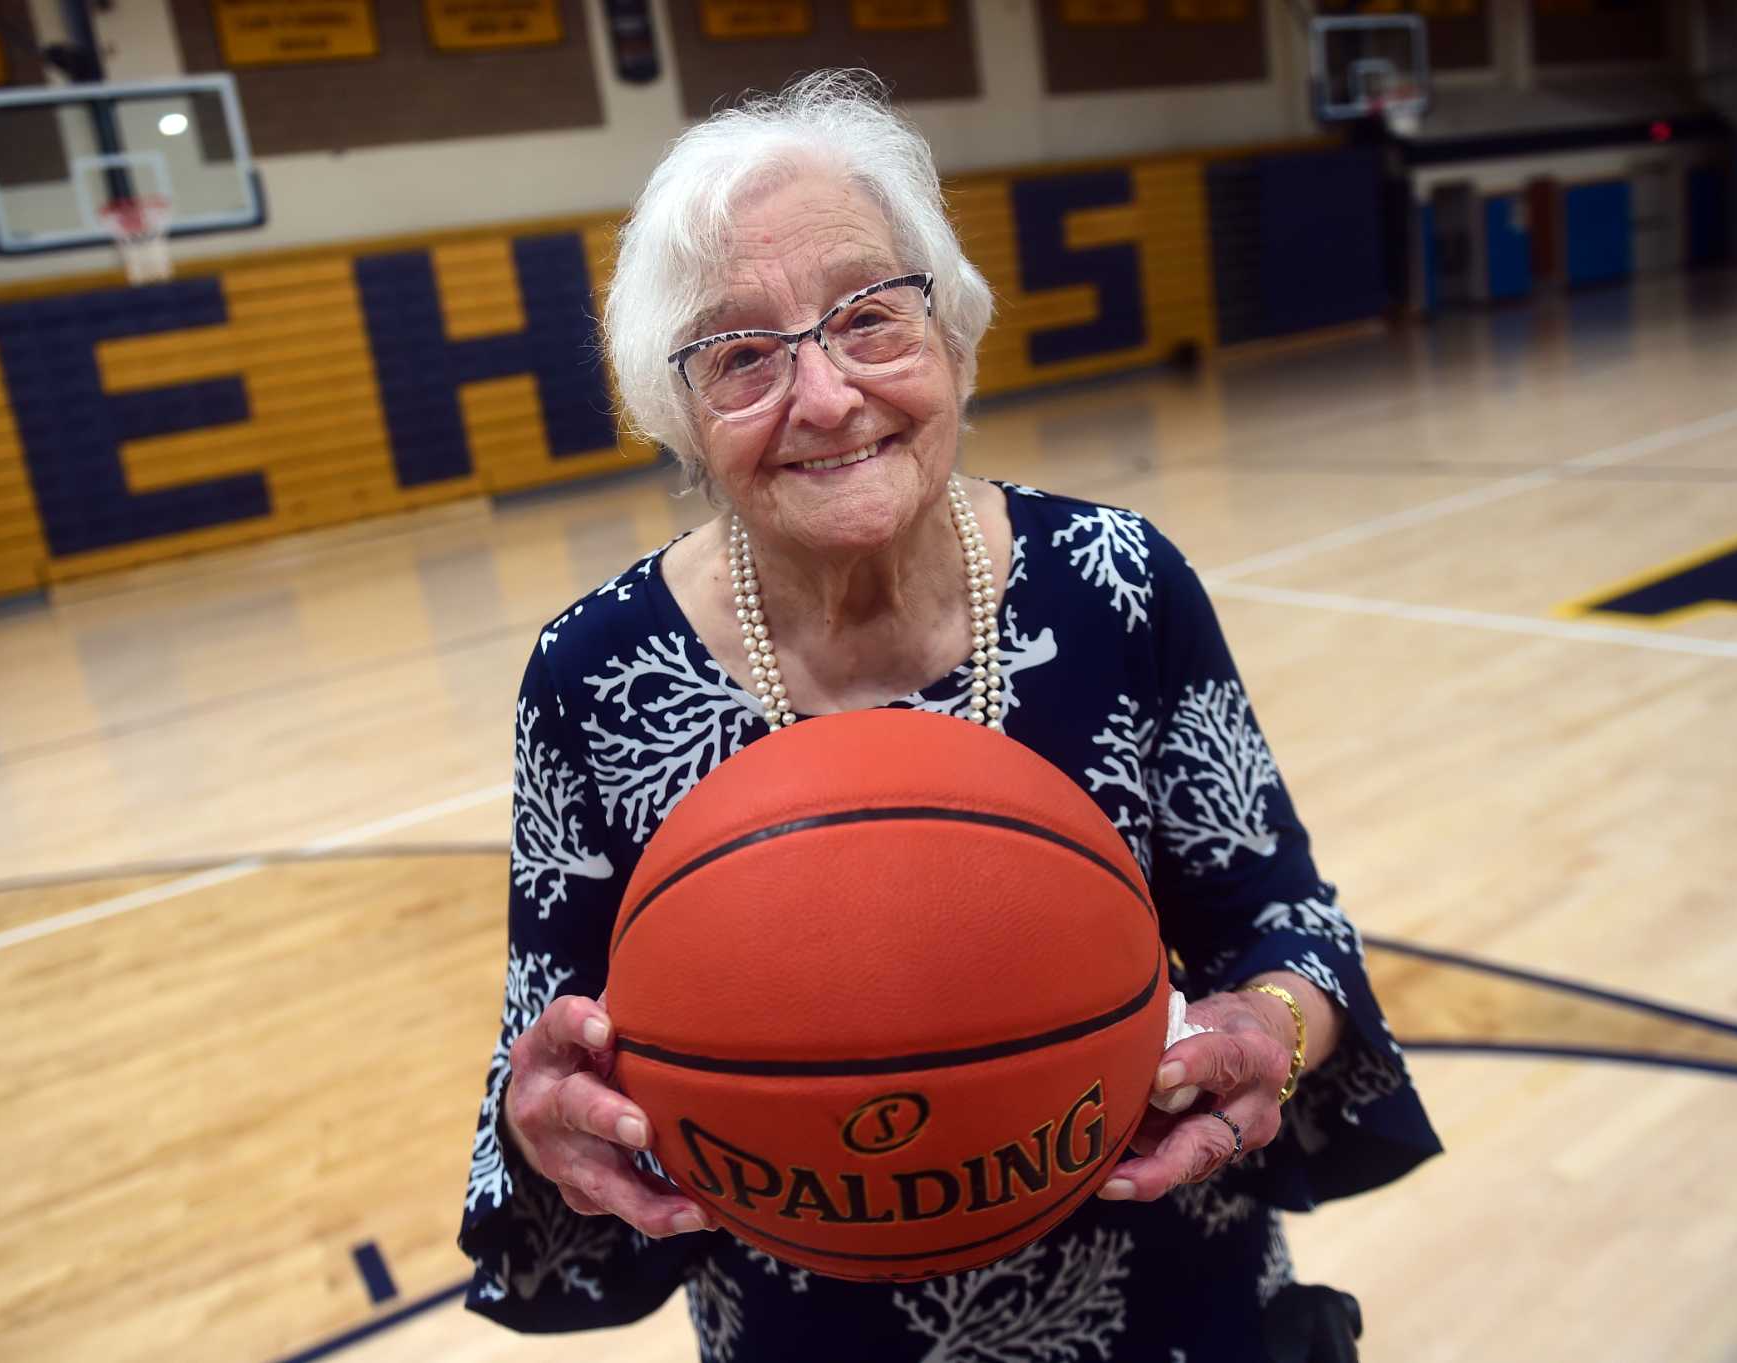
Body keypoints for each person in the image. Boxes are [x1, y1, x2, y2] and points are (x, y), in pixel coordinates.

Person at [457, 70, 1440, 1362]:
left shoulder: (1119, 584)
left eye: (871, 317)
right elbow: (548, 1060)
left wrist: (1274, 1026)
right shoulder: (594, 673)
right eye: (741, 356)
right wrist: (548, 1119)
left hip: (1174, 1306)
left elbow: (1285, 923)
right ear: (678, 419)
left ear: (957, 339)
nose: (824, 397)